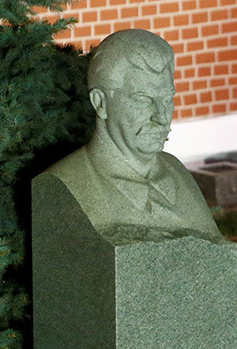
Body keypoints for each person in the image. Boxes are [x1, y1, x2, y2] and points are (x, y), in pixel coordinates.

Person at [46, 29, 220, 239]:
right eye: (143, 100)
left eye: (166, 99)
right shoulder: (63, 186)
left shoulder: (177, 173)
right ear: (100, 103)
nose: (161, 117)